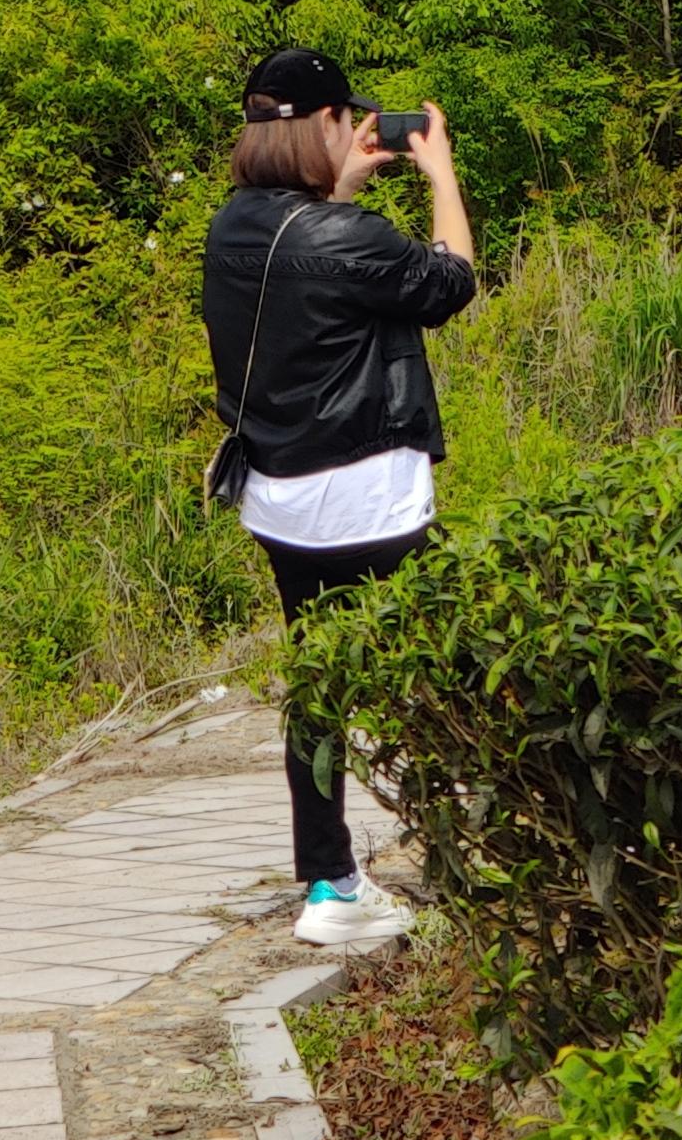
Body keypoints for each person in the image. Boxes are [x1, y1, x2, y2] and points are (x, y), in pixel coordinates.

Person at [201, 46, 477, 946]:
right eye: (341, 121)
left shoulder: (232, 227)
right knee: (440, 673)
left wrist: (343, 188)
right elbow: (448, 283)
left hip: (280, 504)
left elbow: (307, 268)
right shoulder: (344, 236)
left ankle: (329, 884)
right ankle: (461, 858)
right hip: (373, 502)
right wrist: (439, 175)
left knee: (318, 687)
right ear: (322, 123)